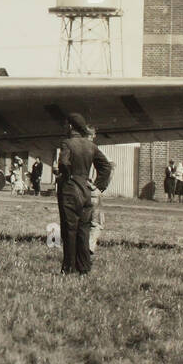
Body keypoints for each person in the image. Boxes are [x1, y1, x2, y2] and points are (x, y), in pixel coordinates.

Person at [54, 113, 113, 275]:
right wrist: (97, 186)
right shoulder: (90, 146)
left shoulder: (67, 143)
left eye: (66, 124)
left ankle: (68, 268)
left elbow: (64, 163)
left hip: (70, 190)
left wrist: (65, 176)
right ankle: (84, 268)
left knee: (69, 230)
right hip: (86, 191)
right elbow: (106, 168)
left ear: (71, 126)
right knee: (83, 230)